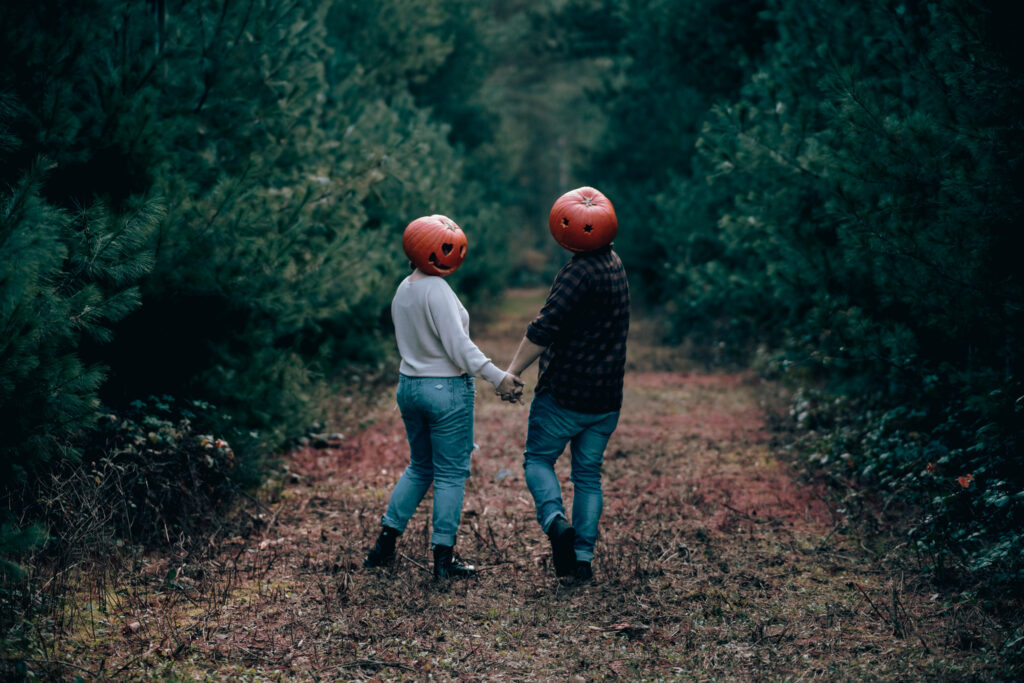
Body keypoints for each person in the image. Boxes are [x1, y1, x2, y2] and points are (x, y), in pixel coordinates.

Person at [364, 214, 523, 579]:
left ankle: (383, 546)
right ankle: (443, 559)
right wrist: (498, 377)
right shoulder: (436, 290)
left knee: (420, 467)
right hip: (444, 391)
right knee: (450, 474)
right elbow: (459, 348)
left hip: (410, 387)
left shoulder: (404, 289)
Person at [504, 186, 629, 583]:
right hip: (606, 398)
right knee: (588, 475)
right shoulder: (614, 264)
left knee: (538, 460)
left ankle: (557, 523)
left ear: (563, 232)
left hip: (565, 395)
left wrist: (513, 371)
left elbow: (545, 329)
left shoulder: (578, 273)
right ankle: (582, 560)